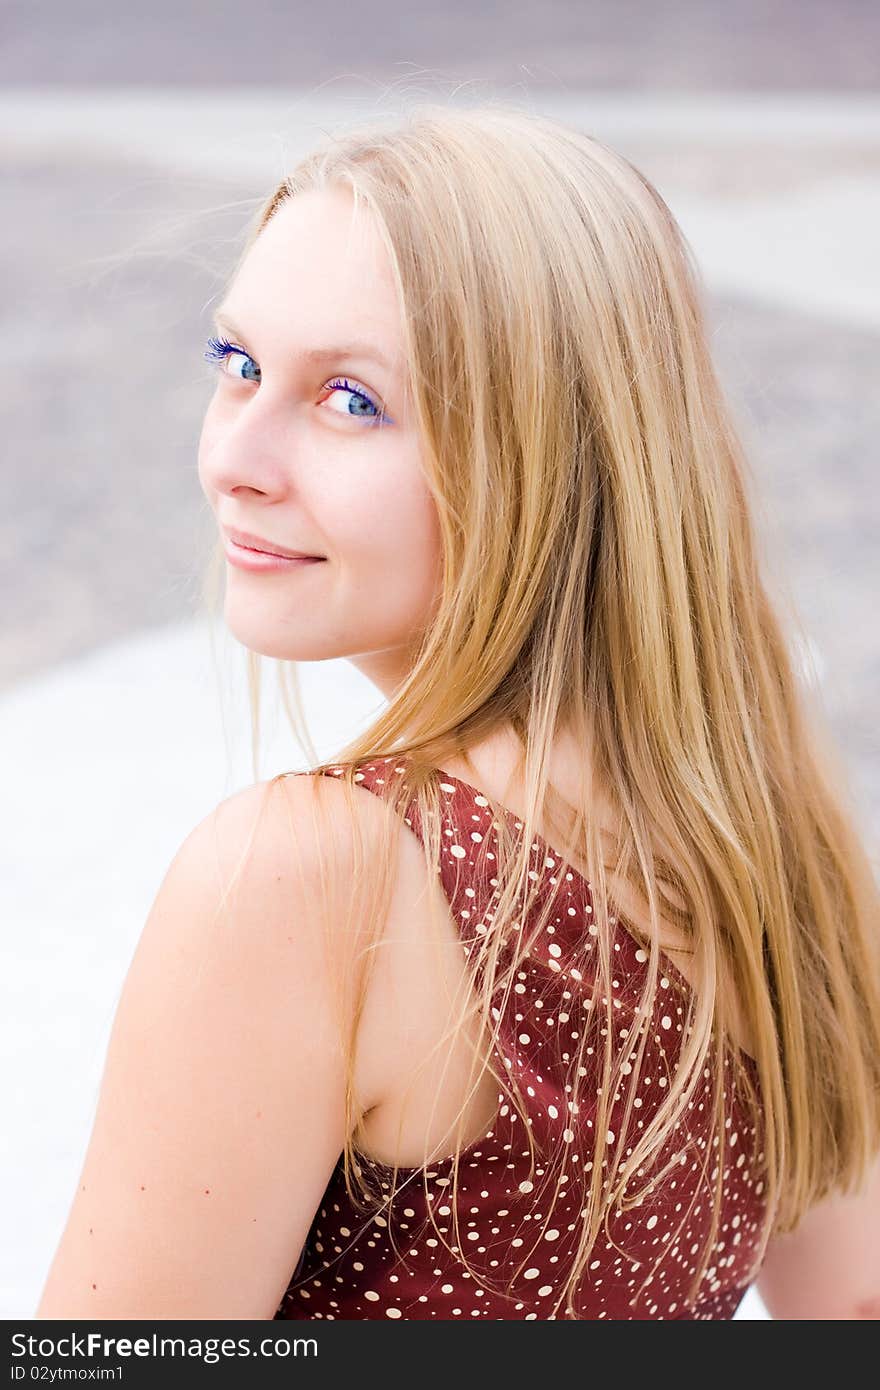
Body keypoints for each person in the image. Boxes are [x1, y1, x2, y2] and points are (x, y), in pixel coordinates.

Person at [36, 104, 880, 1321]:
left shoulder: (318, 880)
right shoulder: (756, 822)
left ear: (544, 457)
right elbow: (851, 1306)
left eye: (351, 401)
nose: (237, 457)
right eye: (239, 367)